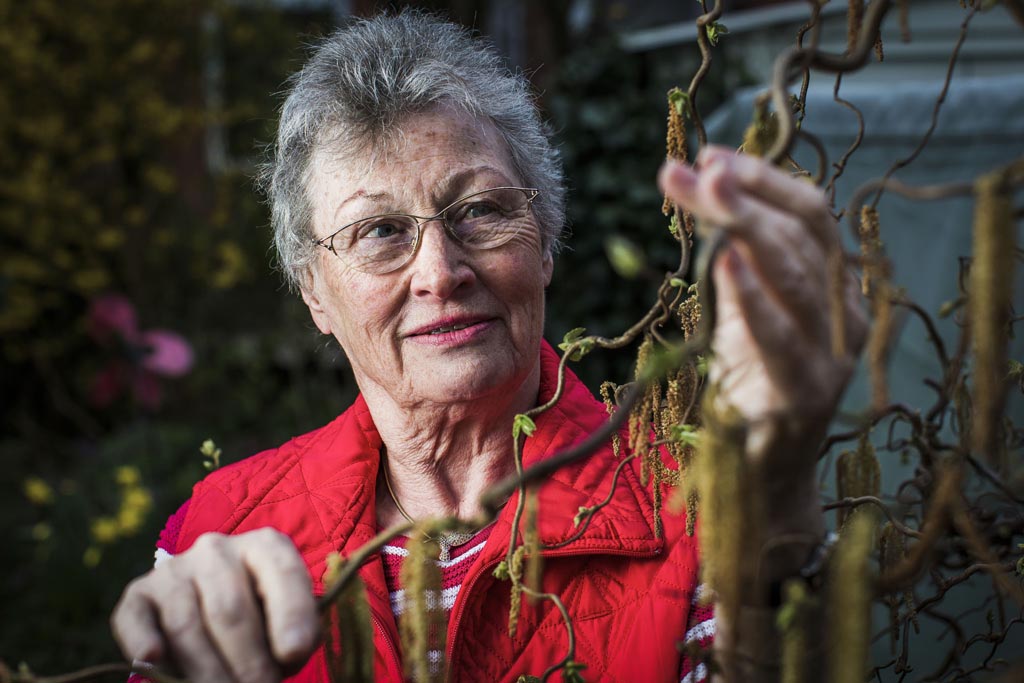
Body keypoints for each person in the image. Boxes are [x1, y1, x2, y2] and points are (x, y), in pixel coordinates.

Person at [111, 11, 866, 683]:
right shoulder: (221, 528)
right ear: (315, 292)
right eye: (380, 232)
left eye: (479, 210)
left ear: (544, 244)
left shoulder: (701, 514)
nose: (441, 272)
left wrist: (774, 505)